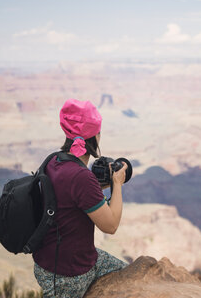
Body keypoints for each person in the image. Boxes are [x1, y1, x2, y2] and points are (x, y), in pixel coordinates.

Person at [33, 98, 128, 297]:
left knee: (128, 273)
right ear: (94, 137)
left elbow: (71, 196)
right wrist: (117, 184)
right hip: (66, 274)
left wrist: (96, 187)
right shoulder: (81, 177)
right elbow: (110, 226)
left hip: (58, 260)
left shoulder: (54, 160)